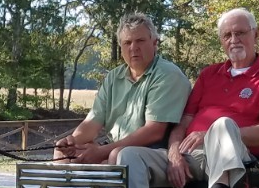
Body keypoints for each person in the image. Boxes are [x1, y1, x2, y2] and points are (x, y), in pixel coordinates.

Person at [118, 8, 259, 188]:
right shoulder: (209, 75)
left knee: (222, 125)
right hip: (193, 156)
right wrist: (173, 154)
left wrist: (211, 135)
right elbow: (183, 122)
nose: (234, 40)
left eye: (240, 33)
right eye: (227, 35)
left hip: (240, 160)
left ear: (256, 34)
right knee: (129, 155)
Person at [53, 12, 190, 165]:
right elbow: (93, 121)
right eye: (127, 42)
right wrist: (72, 142)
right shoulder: (113, 77)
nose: (134, 48)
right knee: (62, 153)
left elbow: (154, 132)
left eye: (140, 41)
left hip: (155, 153)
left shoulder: (167, 75)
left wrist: (102, 152)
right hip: (115, 149)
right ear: (121, 46)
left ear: (154, 43)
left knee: (118, 156)